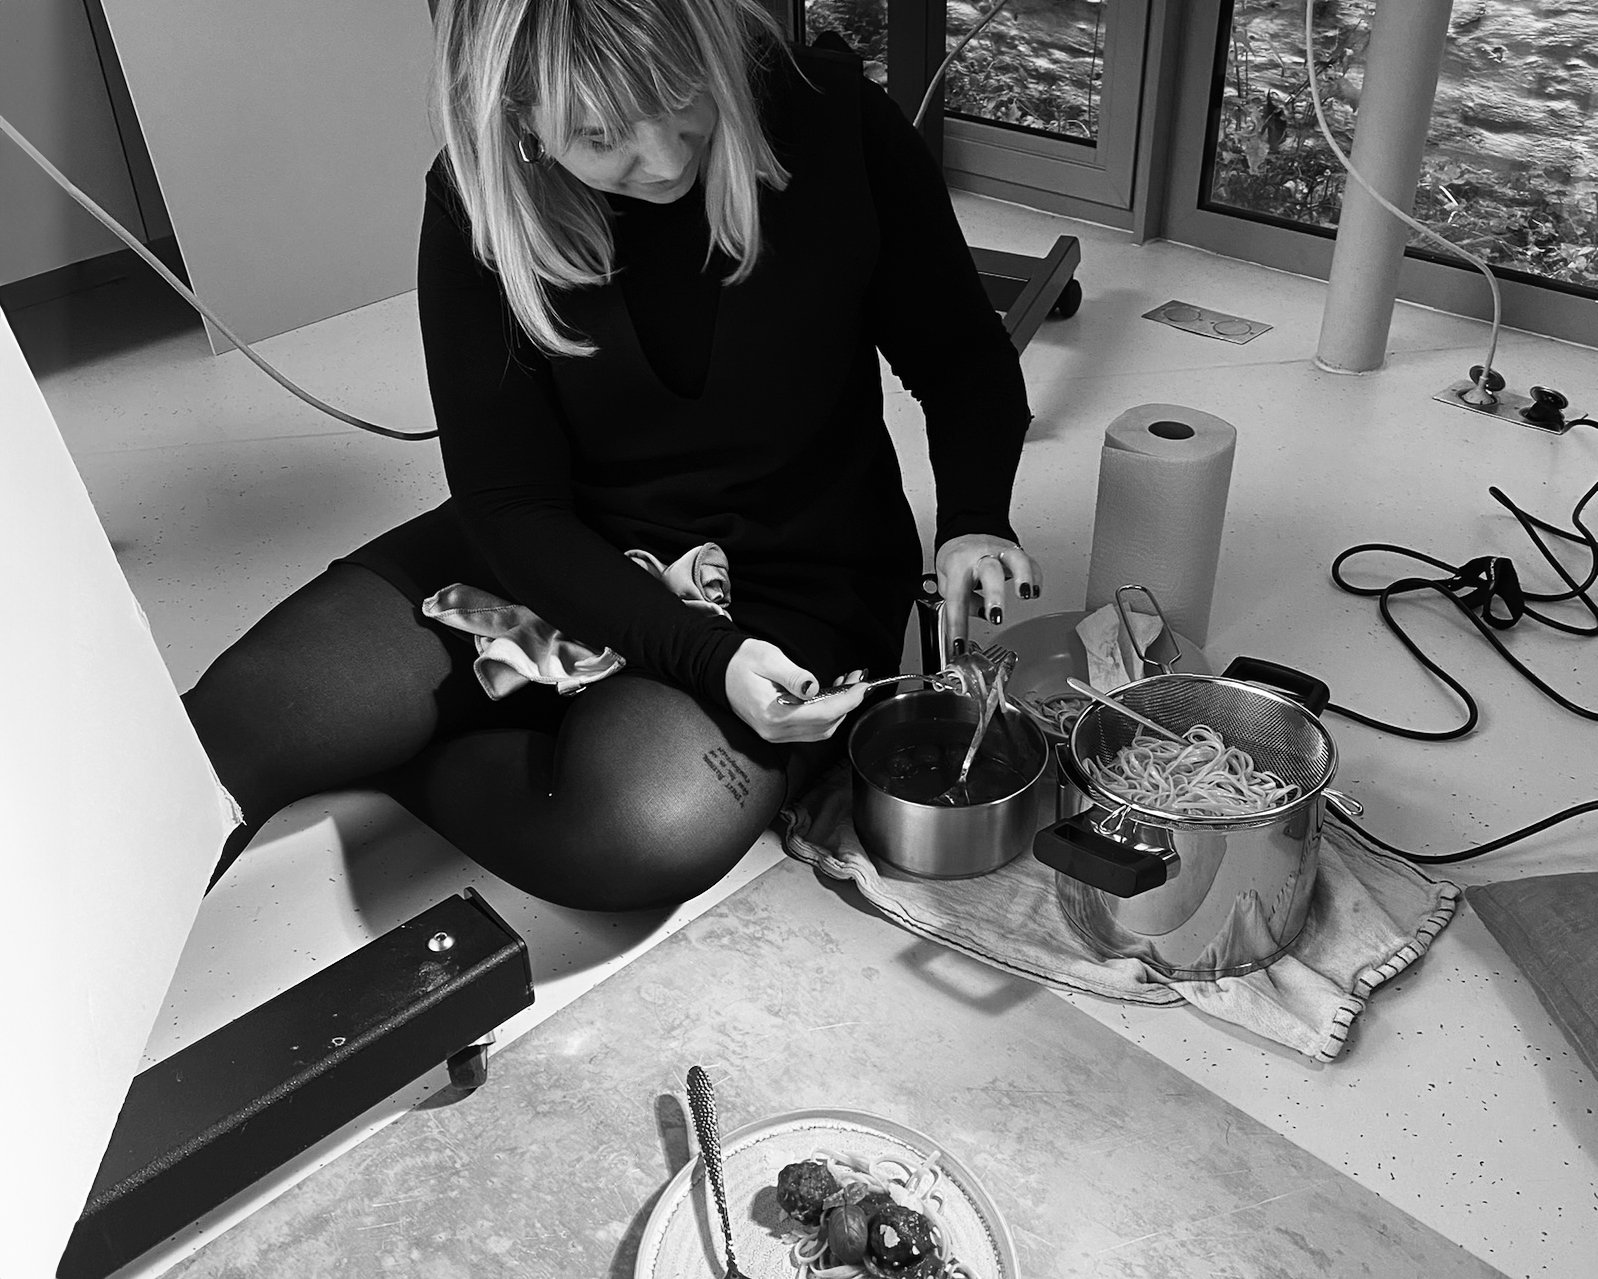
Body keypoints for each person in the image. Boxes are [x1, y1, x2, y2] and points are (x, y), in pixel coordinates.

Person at [183, 0, 1041, 910]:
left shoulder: (830, 119)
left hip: (792, 573)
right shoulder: (478, 196)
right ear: (517, 116)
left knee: (636, 833)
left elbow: (963, 362)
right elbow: (508, 502)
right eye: (601, 136)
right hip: (559, 540)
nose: (667, 160)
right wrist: (680, 647)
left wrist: (975, 517)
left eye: (686, 98)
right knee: (232, 727)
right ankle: (505, 699)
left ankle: (425, 744)